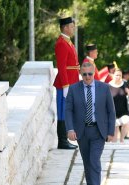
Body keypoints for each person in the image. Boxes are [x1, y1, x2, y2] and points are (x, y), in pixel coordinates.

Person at [65, 62, 116, 185]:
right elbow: (68, 110)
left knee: (94, 159)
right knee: (87, 161)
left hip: (98, 131)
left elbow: (111, 111)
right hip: (82, 131)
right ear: (81, 74)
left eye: (90, 74)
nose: (87, 77)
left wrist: (111, 131)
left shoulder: (104, 88)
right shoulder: (74, 89)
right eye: (84, 74)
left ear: (94, 73)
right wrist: (70, 129)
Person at [53, 16, 79, 150]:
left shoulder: (67, 42)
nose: (73, 28)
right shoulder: (61, 44)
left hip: (71, 82)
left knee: (67, 111)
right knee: (62, 112)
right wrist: (65, 86)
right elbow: (62, 67)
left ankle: (65, 140)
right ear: (65, 27)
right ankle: (62, 141)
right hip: (65, 83)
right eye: (71, 26)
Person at [108, 68, 129, 143]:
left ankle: (122, 139)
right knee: (114, 140)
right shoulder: (108, 85)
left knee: (127, 121)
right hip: (112, 112)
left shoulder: (124, 84)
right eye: (117, 75)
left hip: (123, 111)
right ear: (113, 75)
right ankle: (114, 143)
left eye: (120, 75)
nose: (118, 77)